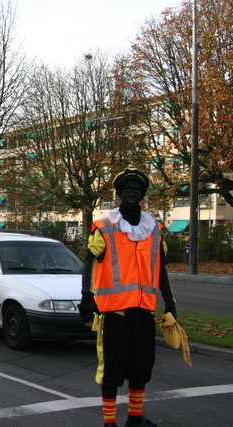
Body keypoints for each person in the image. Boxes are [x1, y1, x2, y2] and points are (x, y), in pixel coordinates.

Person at [78, 167, 177, 427]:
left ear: (142, 194)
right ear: (119, 194)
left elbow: (161, 269)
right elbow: (89, 262)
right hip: (113, 311)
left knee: (141, 366)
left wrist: (170, 303)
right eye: (127, 190)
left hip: (143, 309)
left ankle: (135, 418)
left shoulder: (153, 228)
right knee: (111, 368)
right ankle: (109, 423)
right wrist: (86, 296)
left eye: (136, 190)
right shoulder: (105, 226)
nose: (132, 193)